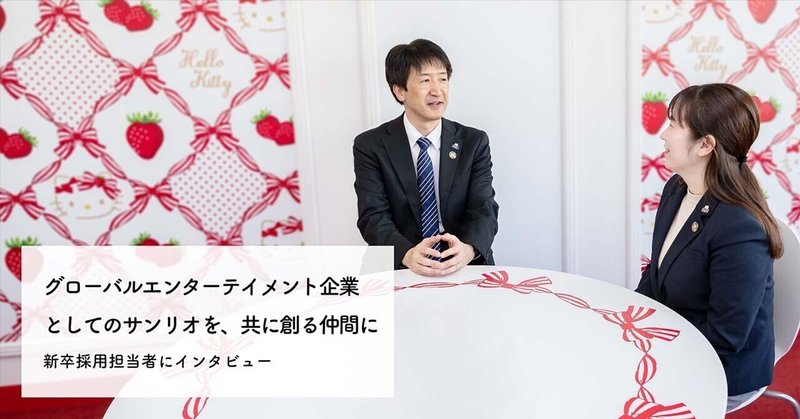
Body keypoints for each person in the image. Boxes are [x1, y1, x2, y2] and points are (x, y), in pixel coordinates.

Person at [636, 83, 783, 411]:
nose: (663, 134)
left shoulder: (740, 227)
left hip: (719, 369)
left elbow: (725, 338)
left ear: (705, 144)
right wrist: (629, 320)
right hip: (677, 341)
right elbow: (657, 273)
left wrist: (652, 347)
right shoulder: (677, 189)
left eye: (674, 125)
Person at [353, 39, 499, 276]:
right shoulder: (371, 146)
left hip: (462, 263)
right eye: (425, 80)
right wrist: (407, 254)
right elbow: (373, 216)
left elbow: (484, 207)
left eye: (442, 79)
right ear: (399, 91)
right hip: (400, 263)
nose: (437, 90)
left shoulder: (473, 142)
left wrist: (468, 249)